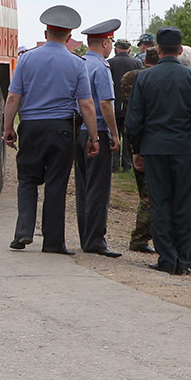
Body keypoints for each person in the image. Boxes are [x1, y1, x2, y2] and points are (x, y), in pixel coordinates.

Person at [4, 5, 99, 255]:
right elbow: (87, 104)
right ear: (69, 37)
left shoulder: (26, 59)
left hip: (32, 128)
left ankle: (23, 231)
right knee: (56, 184)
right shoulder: (77, 64)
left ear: (46, 32)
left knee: (27, 180)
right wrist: (93, 136)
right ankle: (54, 242)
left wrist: (8, 128)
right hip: (62, 130)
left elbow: (13, 97)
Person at [126, 27, 191, 275]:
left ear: (159, 50)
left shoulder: (144, 78)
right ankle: (183, 260)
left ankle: (166, 257)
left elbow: (135, 119)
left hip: (154, 148)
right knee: (185, 204)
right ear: (181, 50)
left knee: (160, 202)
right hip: (186, 149)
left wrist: (137, 149)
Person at [74, 19, 122, 257]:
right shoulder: (101, 68)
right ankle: (95, 240)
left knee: (83, 187)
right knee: (98, 189)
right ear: (105, 42)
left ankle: (86, 236)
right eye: (111, 42)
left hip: (79, 132)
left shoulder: (79, 64)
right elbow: (105, 103)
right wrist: (114, 133)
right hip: (98, 132)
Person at [121, 48, 158, 253]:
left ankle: (145, 232)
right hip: (150, 134)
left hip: (132, 132)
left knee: (142, 183)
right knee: (149, 191)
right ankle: (141, 236)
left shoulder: (130, 77)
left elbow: (127, 102)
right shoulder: (152, 78)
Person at [108, 38, 142, 172]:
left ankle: (114, 165)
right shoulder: (136, 63)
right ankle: (127, 165)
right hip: (130, 107)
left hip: (113, 106)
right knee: (128, 137)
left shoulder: (109, 63)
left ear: (116, 49)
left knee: (114, 135)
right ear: (128, 50)